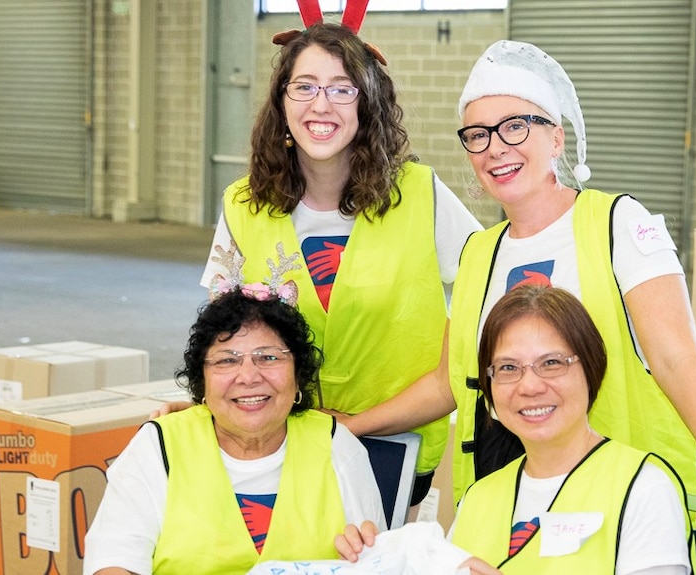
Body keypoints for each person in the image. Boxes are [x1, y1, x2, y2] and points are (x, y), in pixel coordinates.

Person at [341, 39, 696, 558]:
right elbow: (448, 382)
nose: (495, 148)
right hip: (503, 504)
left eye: (515, 126)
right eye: (477, 135)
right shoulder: (476, 255)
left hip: (620, 510)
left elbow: (675, 358)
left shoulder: (619, 224)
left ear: (556, 138)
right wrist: (348, 426)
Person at [190, 10, 483, 499]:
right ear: (281, 103)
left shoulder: (420, 194)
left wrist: (359, 423)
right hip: (280, 439)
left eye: (342, 88)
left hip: (395, 442)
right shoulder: (241, 205)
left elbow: (488, 294)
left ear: (367, 104)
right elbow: (219, 335)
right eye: (303, 86)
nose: (320, 104)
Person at [336, 285, 693, 574]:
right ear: (489, 389)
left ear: (591, 369)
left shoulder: (644, 487)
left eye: (552, 363)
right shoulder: (481, 496)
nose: (530, 386)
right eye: (508, 368)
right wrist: (380, 556)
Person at [83, 275, 386, 575]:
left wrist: (369, 556)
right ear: (202, 383)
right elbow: (114, 562)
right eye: (227, 361)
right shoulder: (159, 446)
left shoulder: (336, 444)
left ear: (298, 377)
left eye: (268, 357)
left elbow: (378, 561)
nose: (249, 376)